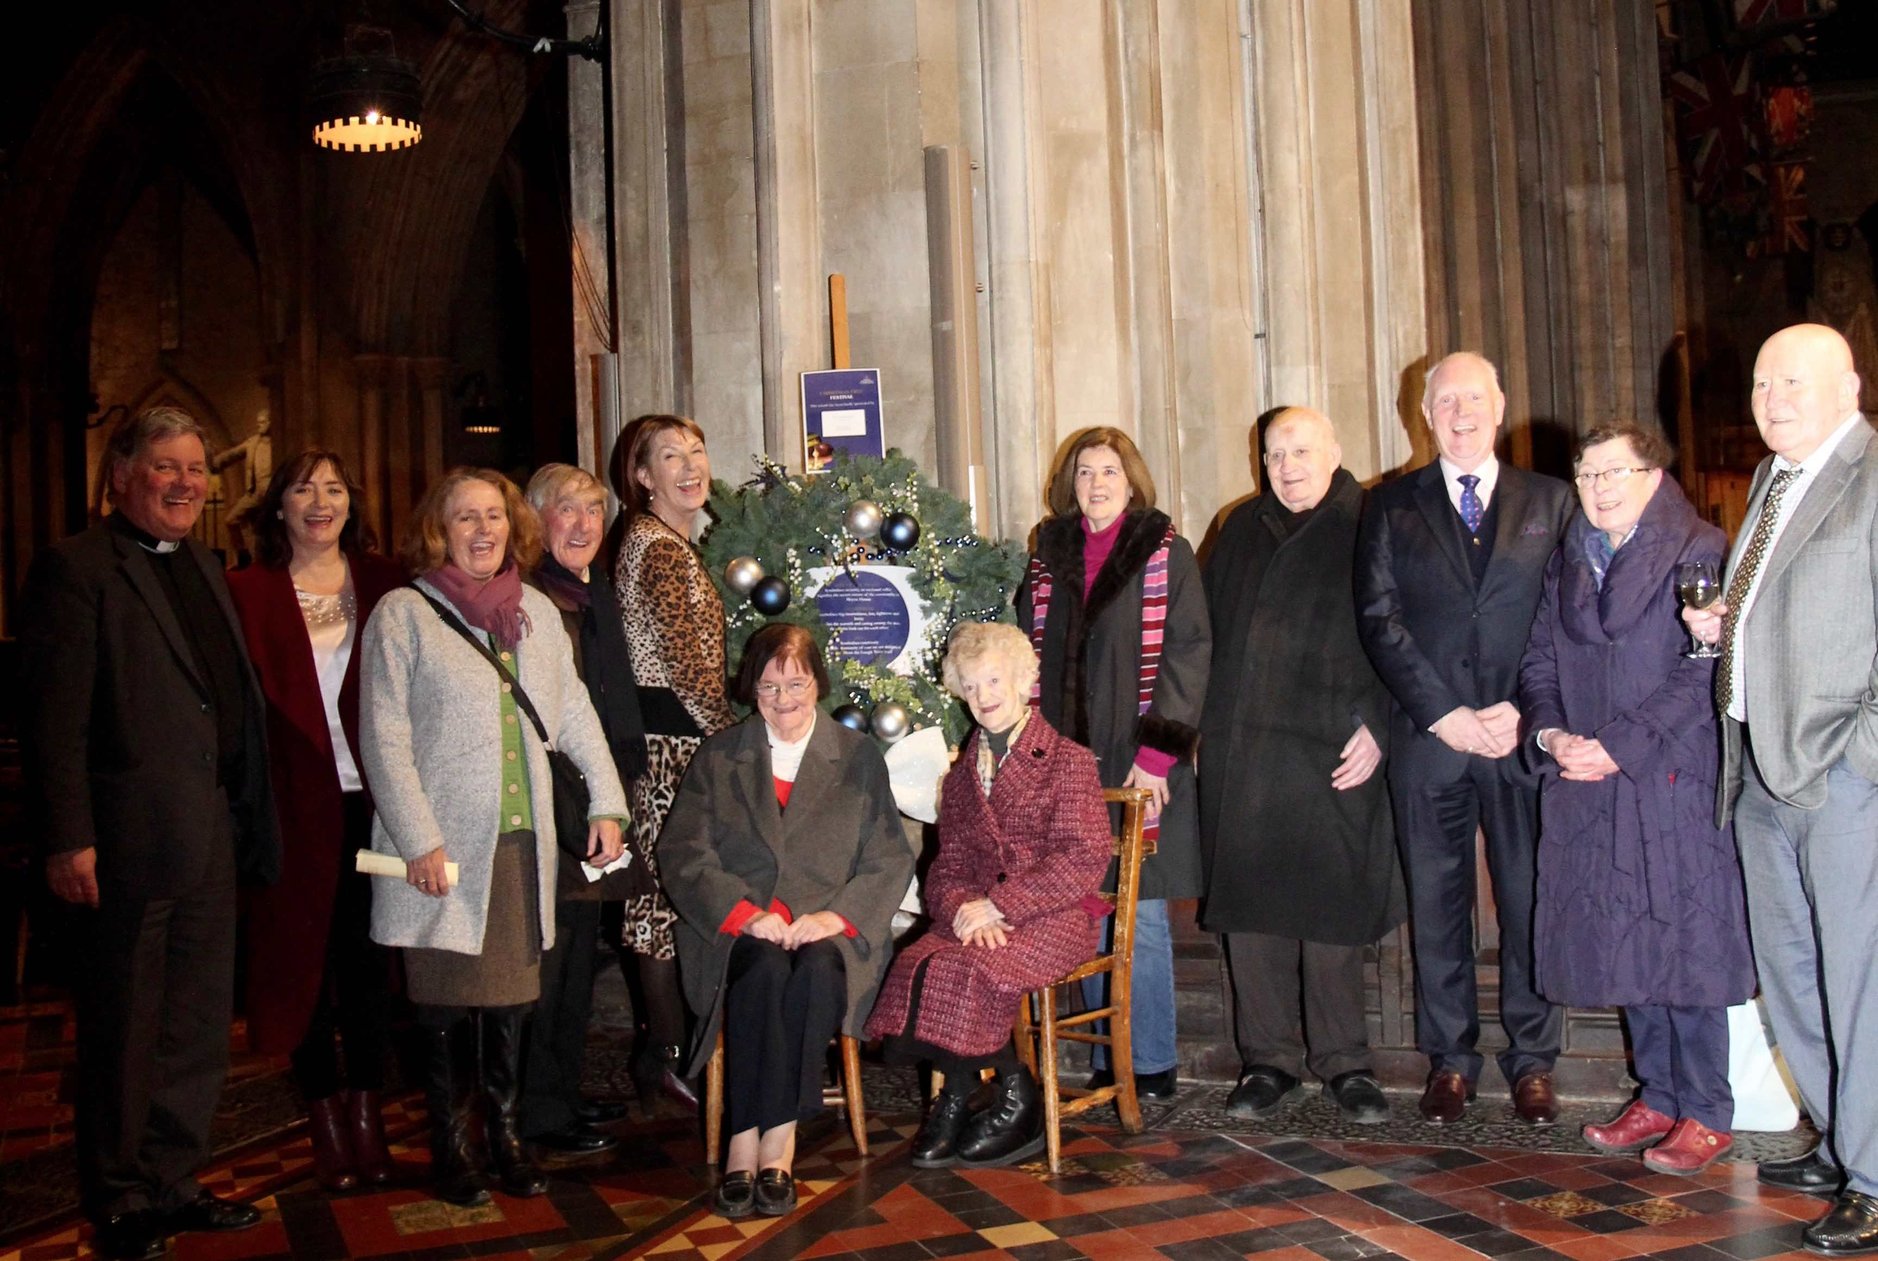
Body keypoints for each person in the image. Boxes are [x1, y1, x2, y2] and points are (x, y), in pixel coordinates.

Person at [19, 407, 279, 1261]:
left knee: (198, 1018)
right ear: (120, 475)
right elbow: (53, 720)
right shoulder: (75, 567)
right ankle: (121, 1192)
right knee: (125, 1021)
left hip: (206, 827)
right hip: (124, 836)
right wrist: (68, 837)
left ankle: (175, 1176)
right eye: (165, 467)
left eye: (196, 469)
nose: (184, 483)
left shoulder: (204, 562)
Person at [359, 467, 627, 1207]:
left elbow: (572, 712)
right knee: (443, 1007)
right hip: (442, 848)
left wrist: (607, 800)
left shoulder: (534, 611)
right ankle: (452, 1145)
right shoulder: (404, 614)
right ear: (438, 530)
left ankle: (504, 1137)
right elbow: (383, 735)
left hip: (518, 843)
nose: (482, 531)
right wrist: (418, 839)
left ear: (515, 528)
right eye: (465, 519)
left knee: (511, 1002)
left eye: (494, 518)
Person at [1683, 323, 1878, 1254]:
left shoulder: (1873, 476)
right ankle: (1845, 1141)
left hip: (1841, 776)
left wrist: (1861, 757)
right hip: (1758, 769)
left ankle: (1876, 1178)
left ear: (1850, 384)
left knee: (1861, 986)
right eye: (1762, 382)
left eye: (1794, 380)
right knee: (1794, 978)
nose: (1774, 397)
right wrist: (1730, 630)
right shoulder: (1772, 479)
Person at [1520, 423, 1753, 1174]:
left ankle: (1707, 1109)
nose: (1598, 487)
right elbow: (1538, 659)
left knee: (1685, 936)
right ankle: (1656, 1092)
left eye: (1614, 471)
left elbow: (1703, 671)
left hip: (1669, 773)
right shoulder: (1570, 561)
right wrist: (1554, 734)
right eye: (1586, 475)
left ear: (1654, 476)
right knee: (1623, 934)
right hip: (1587, 771)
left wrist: (1621, 742)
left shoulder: (1700, 548)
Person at [1355, 352, 1575, 1126]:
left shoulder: (1553, 499)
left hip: (1522, 736)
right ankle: (1449, 1059)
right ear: (1423, 412)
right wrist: (1444, 712)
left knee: (1526, 898)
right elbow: (1379, 620)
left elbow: (1566, 613)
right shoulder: (1390, 505)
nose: (1460, 411)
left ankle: (1533, 1060)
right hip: (1431, 738)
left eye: (1474, 397)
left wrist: (1526, 704)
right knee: (1438, 905)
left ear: (1501, 403)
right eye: (1445, 400)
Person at [660, 625, 914, 1218]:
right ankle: (759, 1144)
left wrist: (837, 915)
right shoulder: (721, 756)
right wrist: (745, 915)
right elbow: (683, 854)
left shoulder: (857, 759)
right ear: (751, 690)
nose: (784, 698)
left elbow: (888, 857)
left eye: (796, 683)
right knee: (766, 975)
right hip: (736, 932)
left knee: (818, 974)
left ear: (817, 683)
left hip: (829, 931)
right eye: (769, 686)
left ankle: (759, 1144)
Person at [1197, 408, 1402, 1125]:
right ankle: (1267, 1058)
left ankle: (1345, 1061)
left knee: (1330, 916)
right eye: (1274, 453)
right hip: (1245, 748)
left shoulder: (1372, 519)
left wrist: (1381, 723)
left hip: (1334, 747)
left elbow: (1405, 632)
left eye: (1301, 450)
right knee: (1252, 917)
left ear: (1336, 451)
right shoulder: (1238, 527)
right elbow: (1202, 637)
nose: (1286, 465)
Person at [866, 622, 1113, 1169]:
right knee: (919, 961)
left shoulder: (1068, 761)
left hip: (1054, 915)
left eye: (995, 680)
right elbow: (947, 866)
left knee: (970, 969)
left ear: (1025, 680)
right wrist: (960, 911)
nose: (985, 697)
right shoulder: (959, 778)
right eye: (972, 685)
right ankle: (991, 1090)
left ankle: (990, 1098)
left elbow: (1083, 858)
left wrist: (1002, 906)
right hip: (976, 917)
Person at [225, 450, 407, 1192]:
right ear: (278, 507)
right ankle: (327, 1120)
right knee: (303, 967)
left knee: (368, 965)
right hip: (292, 803)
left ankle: (369, 1116)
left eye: (333, 487)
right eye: (303, 488)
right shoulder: (246, 591)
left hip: (376, 803)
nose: (319, 501)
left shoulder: (387, 581)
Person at [1018, 427, 1209, 1102]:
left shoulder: (1165, 553)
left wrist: (1157, 758)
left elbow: (1188, 655)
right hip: (1068, 768)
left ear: (1132, 481)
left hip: (1140, 764)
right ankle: (1107, 1056)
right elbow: (1025, 662)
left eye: (1108, 471)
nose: (1095, 484)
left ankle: (1149, 1060)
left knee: (1143, 914)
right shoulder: (1048, 559)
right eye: (1084, 473)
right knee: (1091, 905)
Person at [517, 463, 648, 1155]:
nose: (582, 524)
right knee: (548, 957)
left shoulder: (593, 594)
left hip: (594, 799)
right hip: (551, 802)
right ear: (535, 521)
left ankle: (559, 1092)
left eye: (593, 511)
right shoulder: (532, 599)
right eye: (566, 510)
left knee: (575, 954)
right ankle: (536, 1107)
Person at [611, 413, 736, 1110]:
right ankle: (668, 1053)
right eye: (669, 456)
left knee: (656, 904)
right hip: (674, 749)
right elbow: (690, 673)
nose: (690, 466)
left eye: (697, 450)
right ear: (641, 476)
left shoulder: (655, 542)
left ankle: (662, 1050)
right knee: (660, 907)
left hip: (674, 743)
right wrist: (735, 745)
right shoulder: (660, 550)